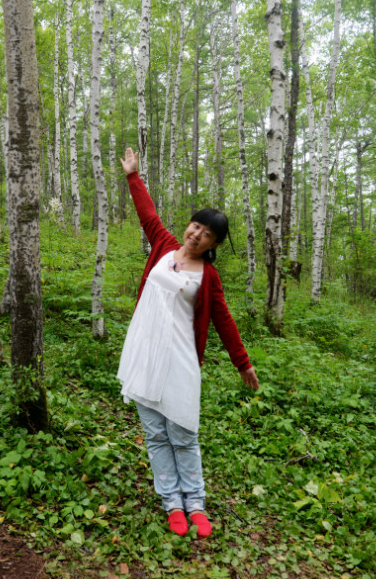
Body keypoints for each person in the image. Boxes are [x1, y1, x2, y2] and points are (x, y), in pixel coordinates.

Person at [116, 147, 259, 539]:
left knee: (183, 432)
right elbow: (148, 215)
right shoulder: (163, 246)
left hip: (180, 360)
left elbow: (223, 319)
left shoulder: (208, 276)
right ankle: (171, 504)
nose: (197, 234)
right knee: (156, 435)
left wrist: (242, 362)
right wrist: (133, 176)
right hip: (145, 351)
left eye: (207, 233)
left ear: (214, 242)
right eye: (196, 226)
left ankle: (195, 504)